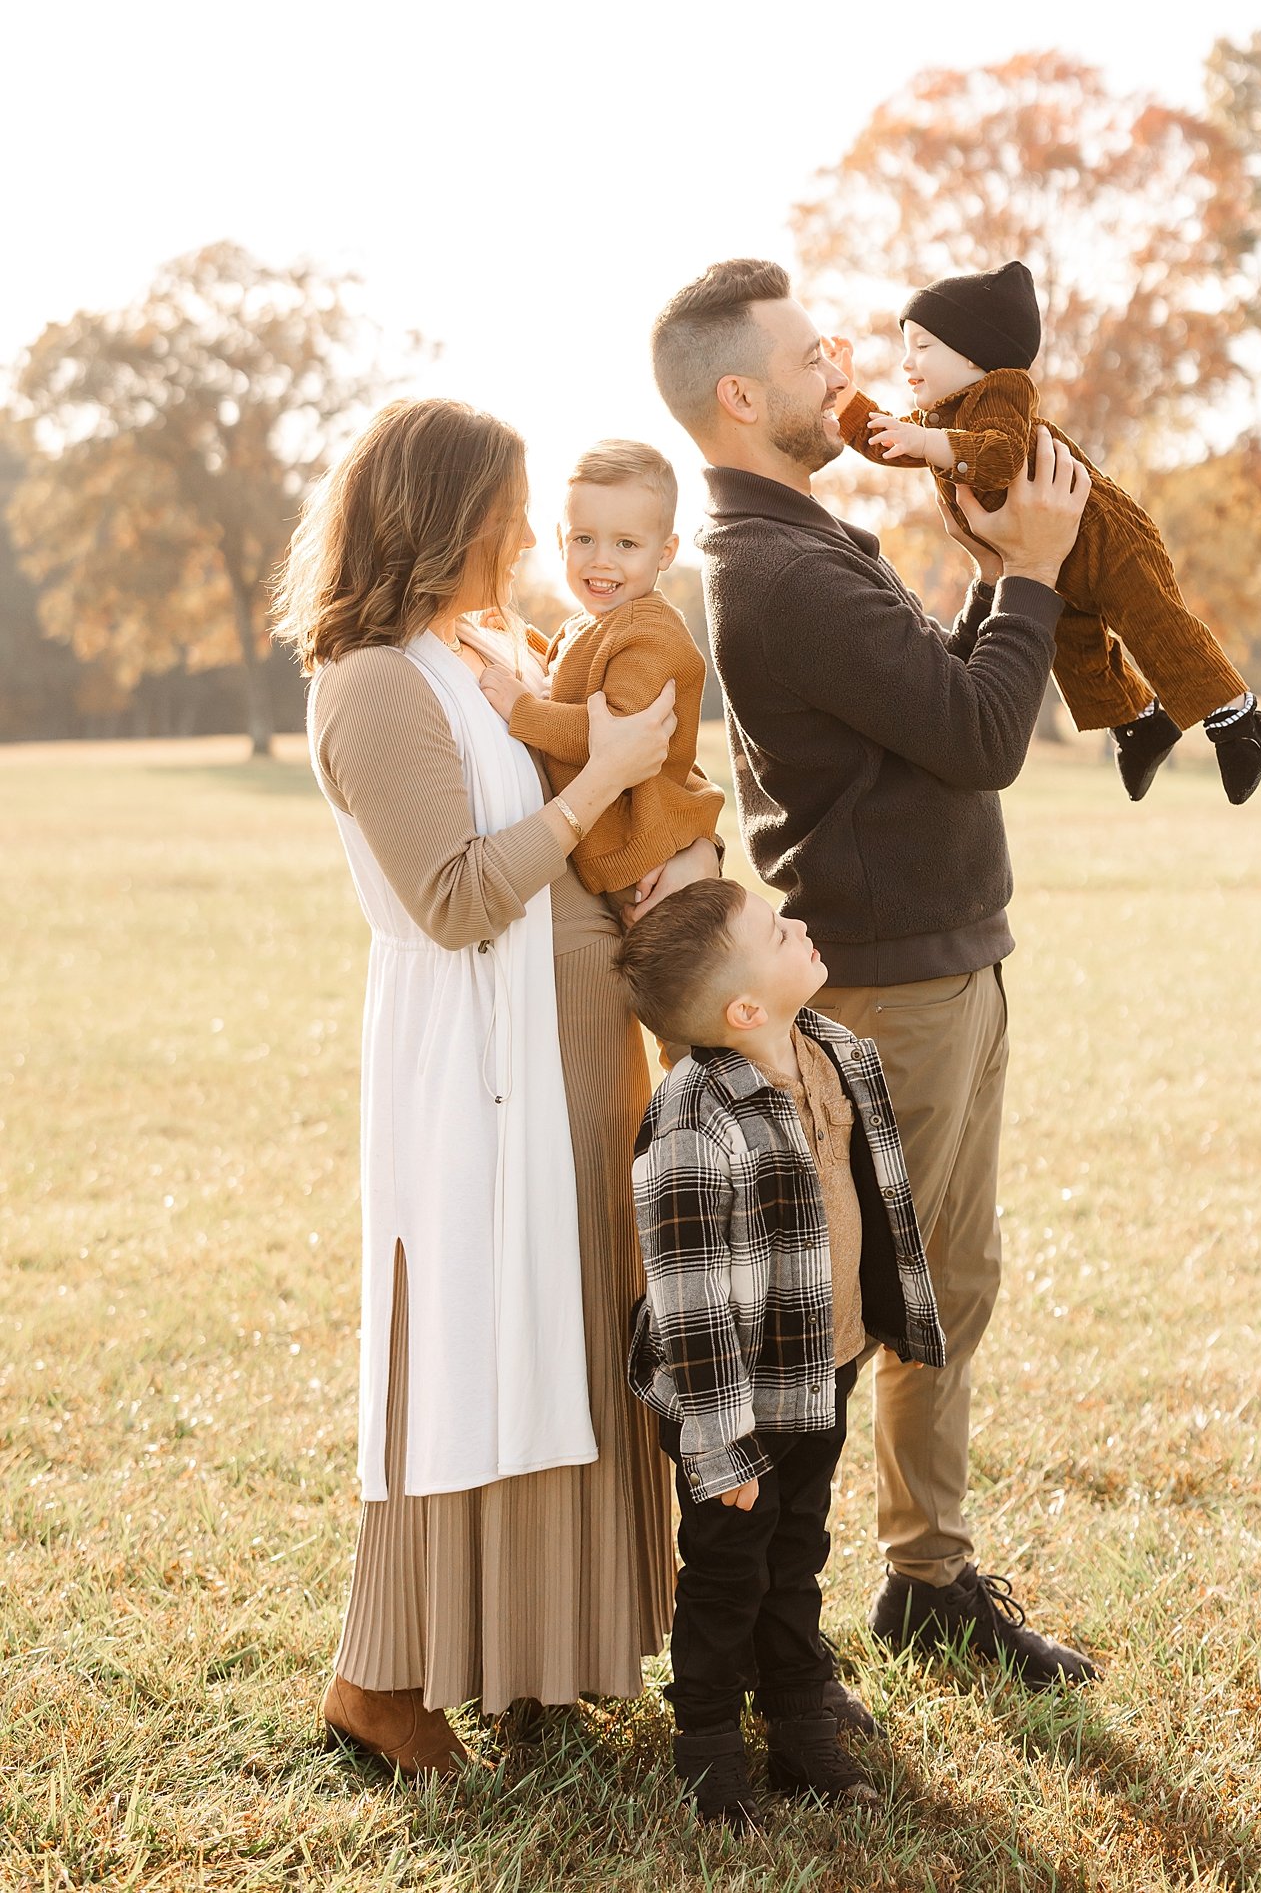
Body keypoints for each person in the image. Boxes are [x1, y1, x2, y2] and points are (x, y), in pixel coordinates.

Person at [651, 257, 1098, 1686]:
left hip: (956, 959)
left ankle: (930, 1578)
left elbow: (933, 711)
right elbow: (979, 735)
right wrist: (1029, 572)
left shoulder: (813, 536)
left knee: (950, 1282)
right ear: (739, 395)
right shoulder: (772, 569)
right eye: (804, 350)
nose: (835, 354)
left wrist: (983, 573)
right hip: (889, 990)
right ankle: (778, 1636)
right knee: (838, 1317)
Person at [271, 396, 719, 1778]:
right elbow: (458, 895)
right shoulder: (370, 682)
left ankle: (538, 1658)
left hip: (573, 1057)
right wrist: (608, 788)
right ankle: (376, 1681)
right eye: (511, 511)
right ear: (444, 518)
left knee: (575, 1335)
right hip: (474, 1065)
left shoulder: (479, 651)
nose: (529, 536)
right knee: (461, 1349)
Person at [616, 878, 945, 1832]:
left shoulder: (836, 1054)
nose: (799, 922)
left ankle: (801, 1721)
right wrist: (720, 1447)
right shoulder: (693, 1113)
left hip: (824, 1363)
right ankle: (708, 1745)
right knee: (727, 1570)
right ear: (743, 1009)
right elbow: (685, 1293)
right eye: (776, 927)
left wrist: (895, 1319)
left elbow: (874, 1205)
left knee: (798, 1550)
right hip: (736, 1399)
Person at [835, 260, 1261, 803]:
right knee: (1073, 646)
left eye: (923, 346)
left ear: (974, 353)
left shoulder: (1002, 392)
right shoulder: (944, 420)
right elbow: (892, 440)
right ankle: (1140, 722)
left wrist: (929, 445)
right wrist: (846, 402)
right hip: (1054, 552)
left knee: (1154, 625)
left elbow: (998, 458)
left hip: (1109, 541)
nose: (907, 361)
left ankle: (1239, 720)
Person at [476, 437, 722, 911]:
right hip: (621, 850)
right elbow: (573, 680)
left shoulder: (651, 635)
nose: (601, 559)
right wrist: (522, 637)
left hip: (644, 856)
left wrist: (520, 709)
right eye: (583, 539)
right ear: (559, 540)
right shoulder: (594, 623)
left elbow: (611, 737)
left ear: (665, 552)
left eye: (626, 544)